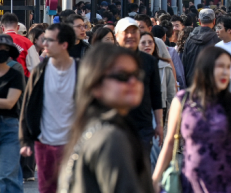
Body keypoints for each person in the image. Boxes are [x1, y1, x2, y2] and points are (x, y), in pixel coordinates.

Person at [153, 46, 231, 193]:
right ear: (205, 68)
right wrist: (155, 179)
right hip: (191, 181)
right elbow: (169, 144)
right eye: (220, 66)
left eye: (228, 67)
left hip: (226, 183)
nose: (226, 72)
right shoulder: (182, 101)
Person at [55, 43, 151, 193]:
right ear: (95, 85)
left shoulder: (92, 127)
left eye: (137, 74)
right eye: (122, 76)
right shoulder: (110, 137)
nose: (133, 82)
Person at [18, 24, 78, 193]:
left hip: (74, 144)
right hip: (44, 143)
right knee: (48, 189)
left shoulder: (81, 70)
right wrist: (25, 140)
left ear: (64, 45)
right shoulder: (40, 71)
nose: (44, 43)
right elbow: (28, 105)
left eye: (49, 40)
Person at [113, 17, 165, 162]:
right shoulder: (108, 60)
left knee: (141, 168)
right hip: (116, 125)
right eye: (126, 32)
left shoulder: (149, 60)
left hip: (143, 126)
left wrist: (159, 124)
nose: (130, 36)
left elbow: (155, 94)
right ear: (117, 36)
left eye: (134, 31)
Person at [0, 34, 24, 193]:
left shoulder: (15, 74)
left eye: (5, 49)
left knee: (7, 174)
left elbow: (10, 102)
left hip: (9, 126)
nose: (2, 51)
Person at [180, 9, 219, 85]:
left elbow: (184, 63)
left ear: (199, 21)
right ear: (214, 21)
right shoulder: (217, 40)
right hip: (211, 84)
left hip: (191, 83)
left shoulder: (189, 39)